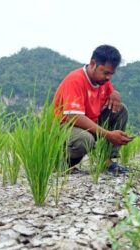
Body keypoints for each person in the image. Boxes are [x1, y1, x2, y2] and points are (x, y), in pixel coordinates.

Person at [53, 44, 132, 174]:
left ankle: (105, 161)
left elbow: (111, 93)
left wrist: (115, 93)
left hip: (91, 125)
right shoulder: (76, 80)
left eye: (111, 74)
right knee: (85, 139)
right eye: (105, 72)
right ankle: (61, 164)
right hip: (66, 128)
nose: (108, 77)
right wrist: (108, 134)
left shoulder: (102, 81)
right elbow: (74, 117)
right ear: (92, 63)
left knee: (120, 109)